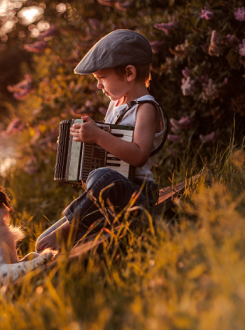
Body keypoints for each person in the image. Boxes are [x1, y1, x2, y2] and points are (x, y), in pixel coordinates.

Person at [36, 30, 167, 252]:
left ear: (129, 73)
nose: (98, 85)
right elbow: (109, 150)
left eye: (102, 78)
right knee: (44, 237)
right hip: (111, 189)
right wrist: (79, 141)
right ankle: (75, 226)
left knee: (103, 177)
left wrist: (99, 135)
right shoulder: (115, 105)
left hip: (139, 192)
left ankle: (72, 227)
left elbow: (138, 155)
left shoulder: (147, 109)